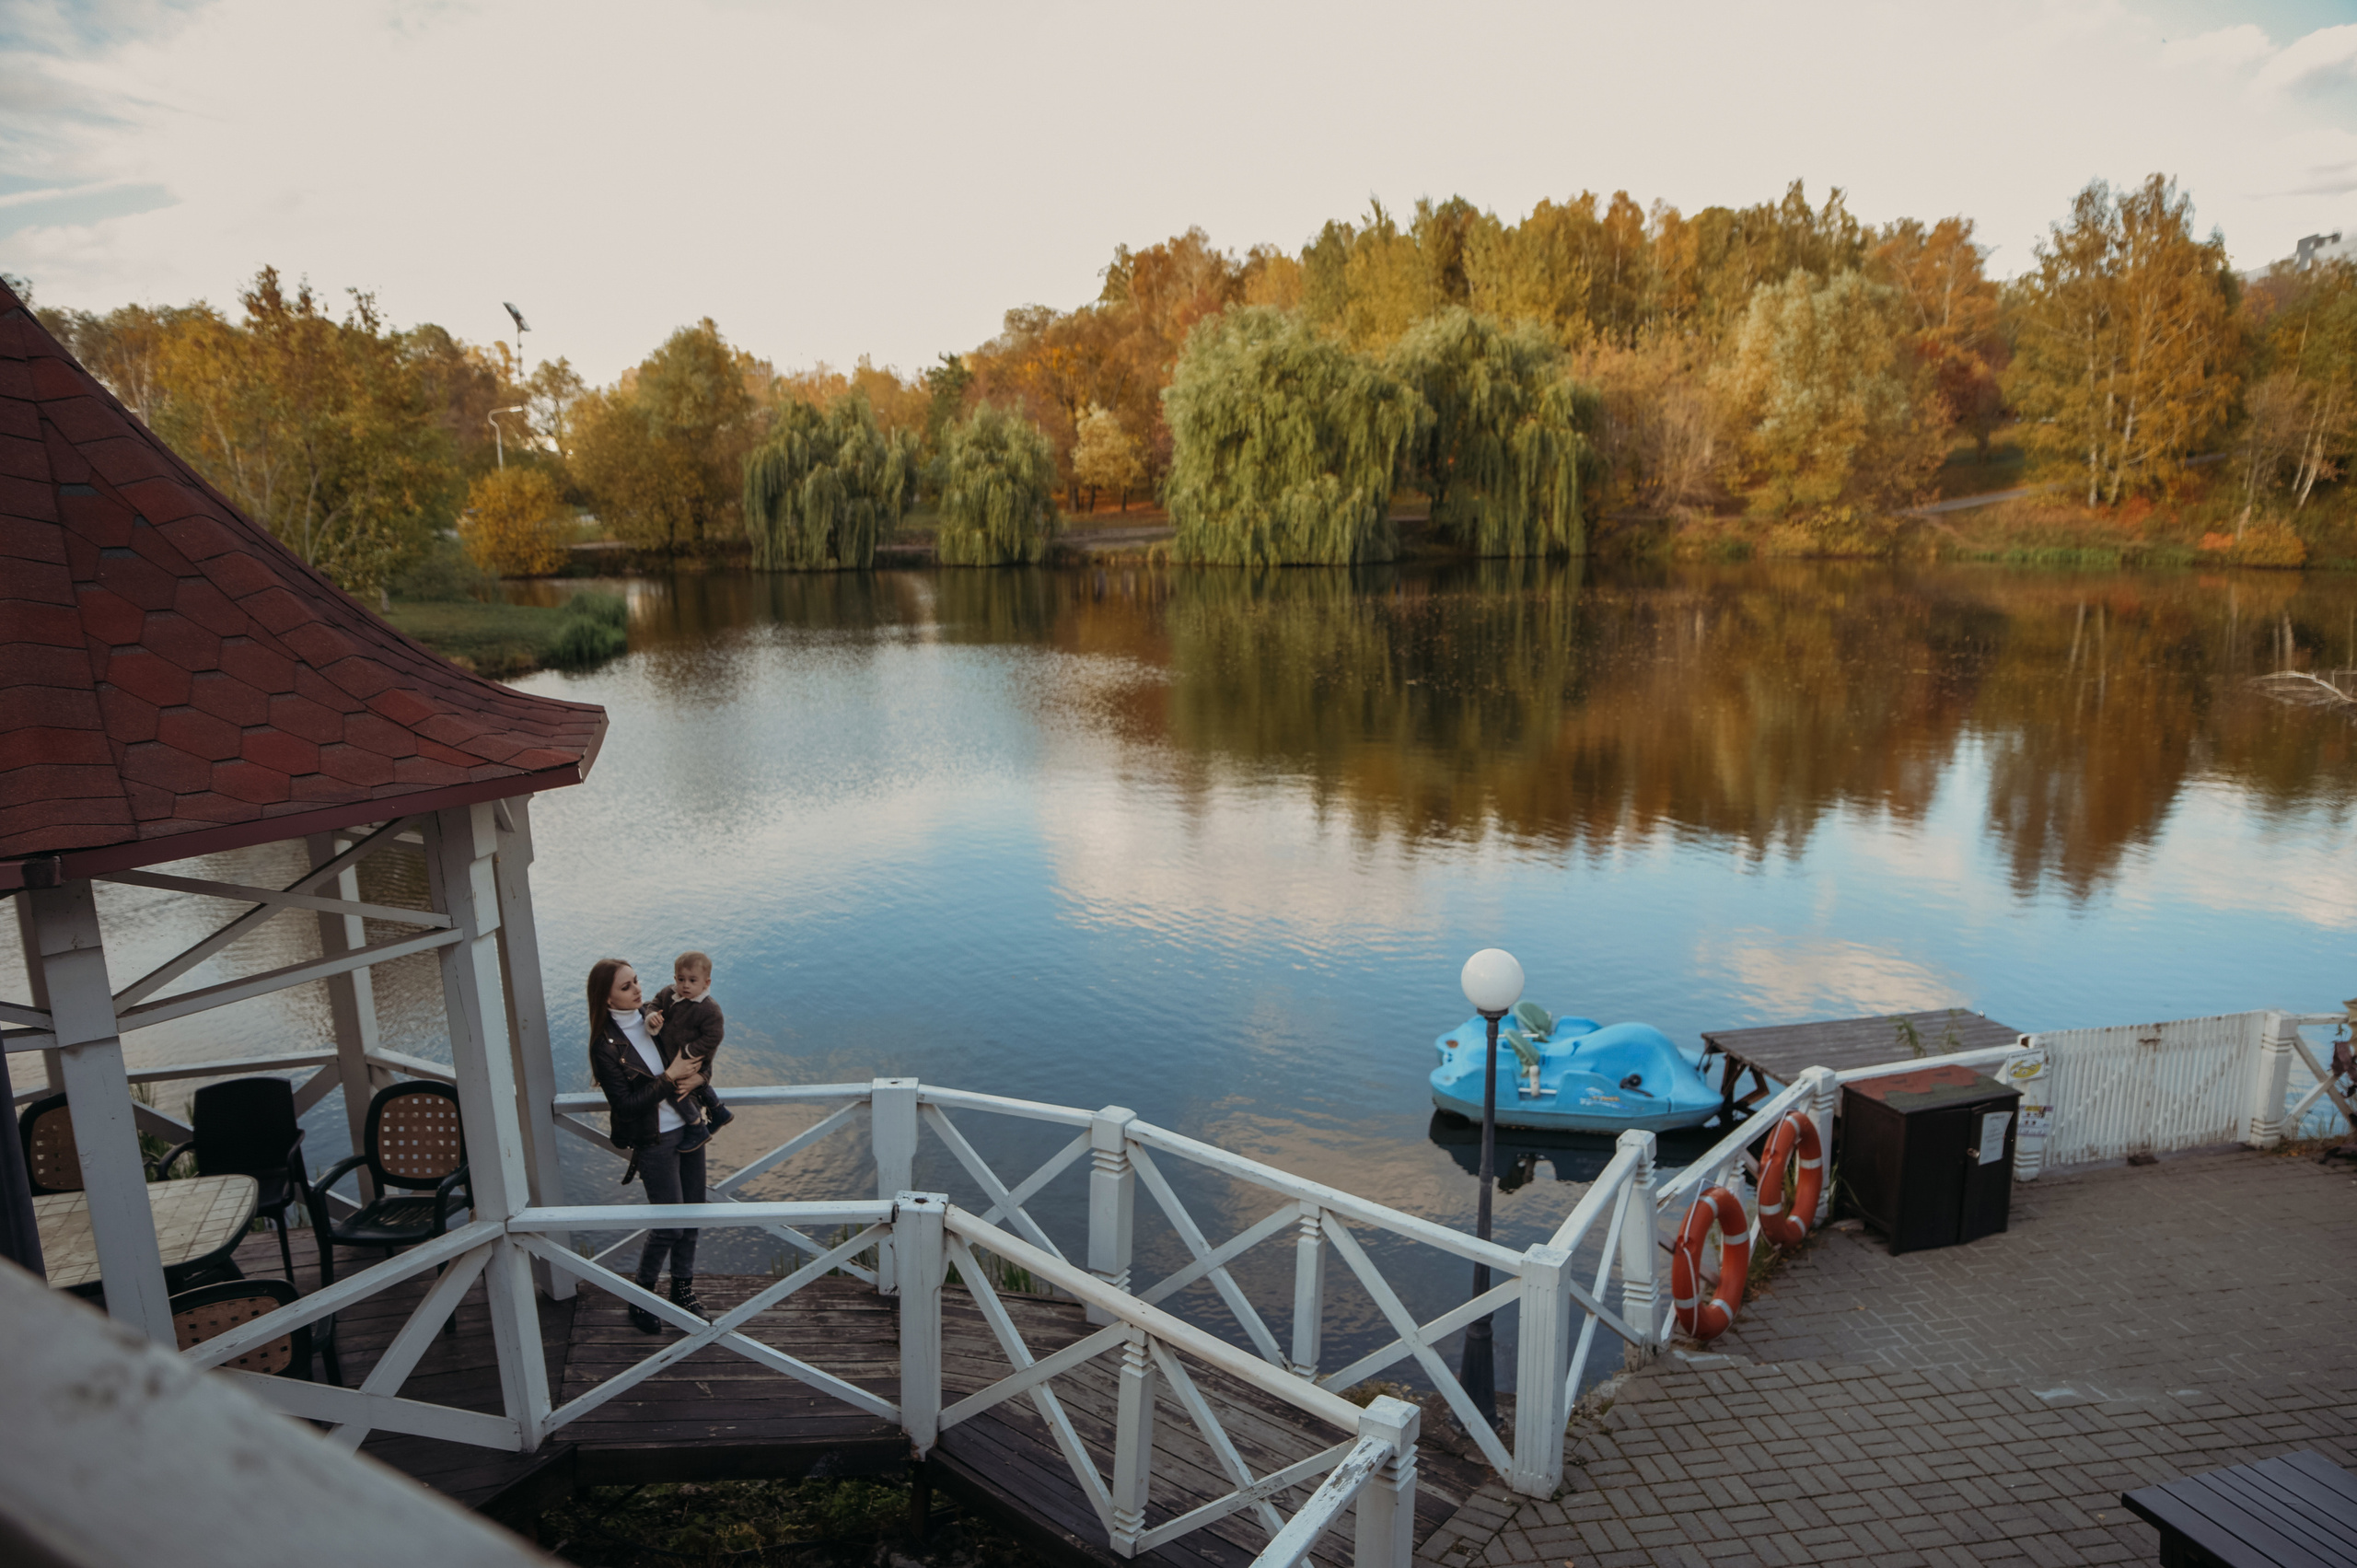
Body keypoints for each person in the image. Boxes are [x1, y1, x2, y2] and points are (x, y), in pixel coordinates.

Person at [586, 956, 708, 1333]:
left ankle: (682, 1289)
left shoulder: (657, 1017)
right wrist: (669, 1077)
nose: (638, 989)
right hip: (654, 1140)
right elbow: (624, 1105)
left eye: (636, 981)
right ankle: (642, 1296)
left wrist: (701, 1078)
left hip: (690, 1127)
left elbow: (700, 1053)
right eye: (626, 987)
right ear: (607, 999)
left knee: (693, 1216)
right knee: (669, 1224)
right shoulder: (605, 1046)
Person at [648, 950, 732, 1154]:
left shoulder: (708, 1009)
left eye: (692, 980)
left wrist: (689, 1052)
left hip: (692, 1057)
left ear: (706, 983)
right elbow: (655, 1003)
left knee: (675, 1089)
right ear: (674, 978)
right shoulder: (669, 994)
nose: (685, 985)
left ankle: (696, 1127)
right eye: (681, 979)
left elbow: (714, 1036)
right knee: (690, 1085)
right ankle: (718, 1111)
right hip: (676, 1056)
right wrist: (652, 1015)